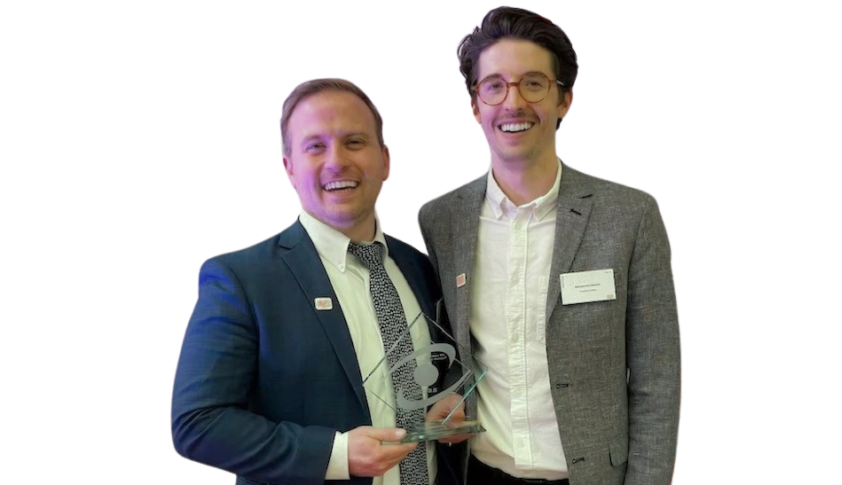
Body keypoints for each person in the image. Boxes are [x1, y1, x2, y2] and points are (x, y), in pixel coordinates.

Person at [417, 7, 682, 485]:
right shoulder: (441, 218)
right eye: (494, 85)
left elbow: (657, 377)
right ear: (475, 105)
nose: (513, 102)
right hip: (479, 472)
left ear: (565, 100)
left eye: (533, 83)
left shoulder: (631, 214)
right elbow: (443, 343)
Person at [171, 77, 460, 485]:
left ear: (386, 160)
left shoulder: (420, 265)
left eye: (354, 142)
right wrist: (336, 454)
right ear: (288, 168)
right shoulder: (241, 279)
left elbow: (440, 367)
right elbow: (197, 425)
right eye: (315, 146)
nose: (337, 161)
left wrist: (451, 398)